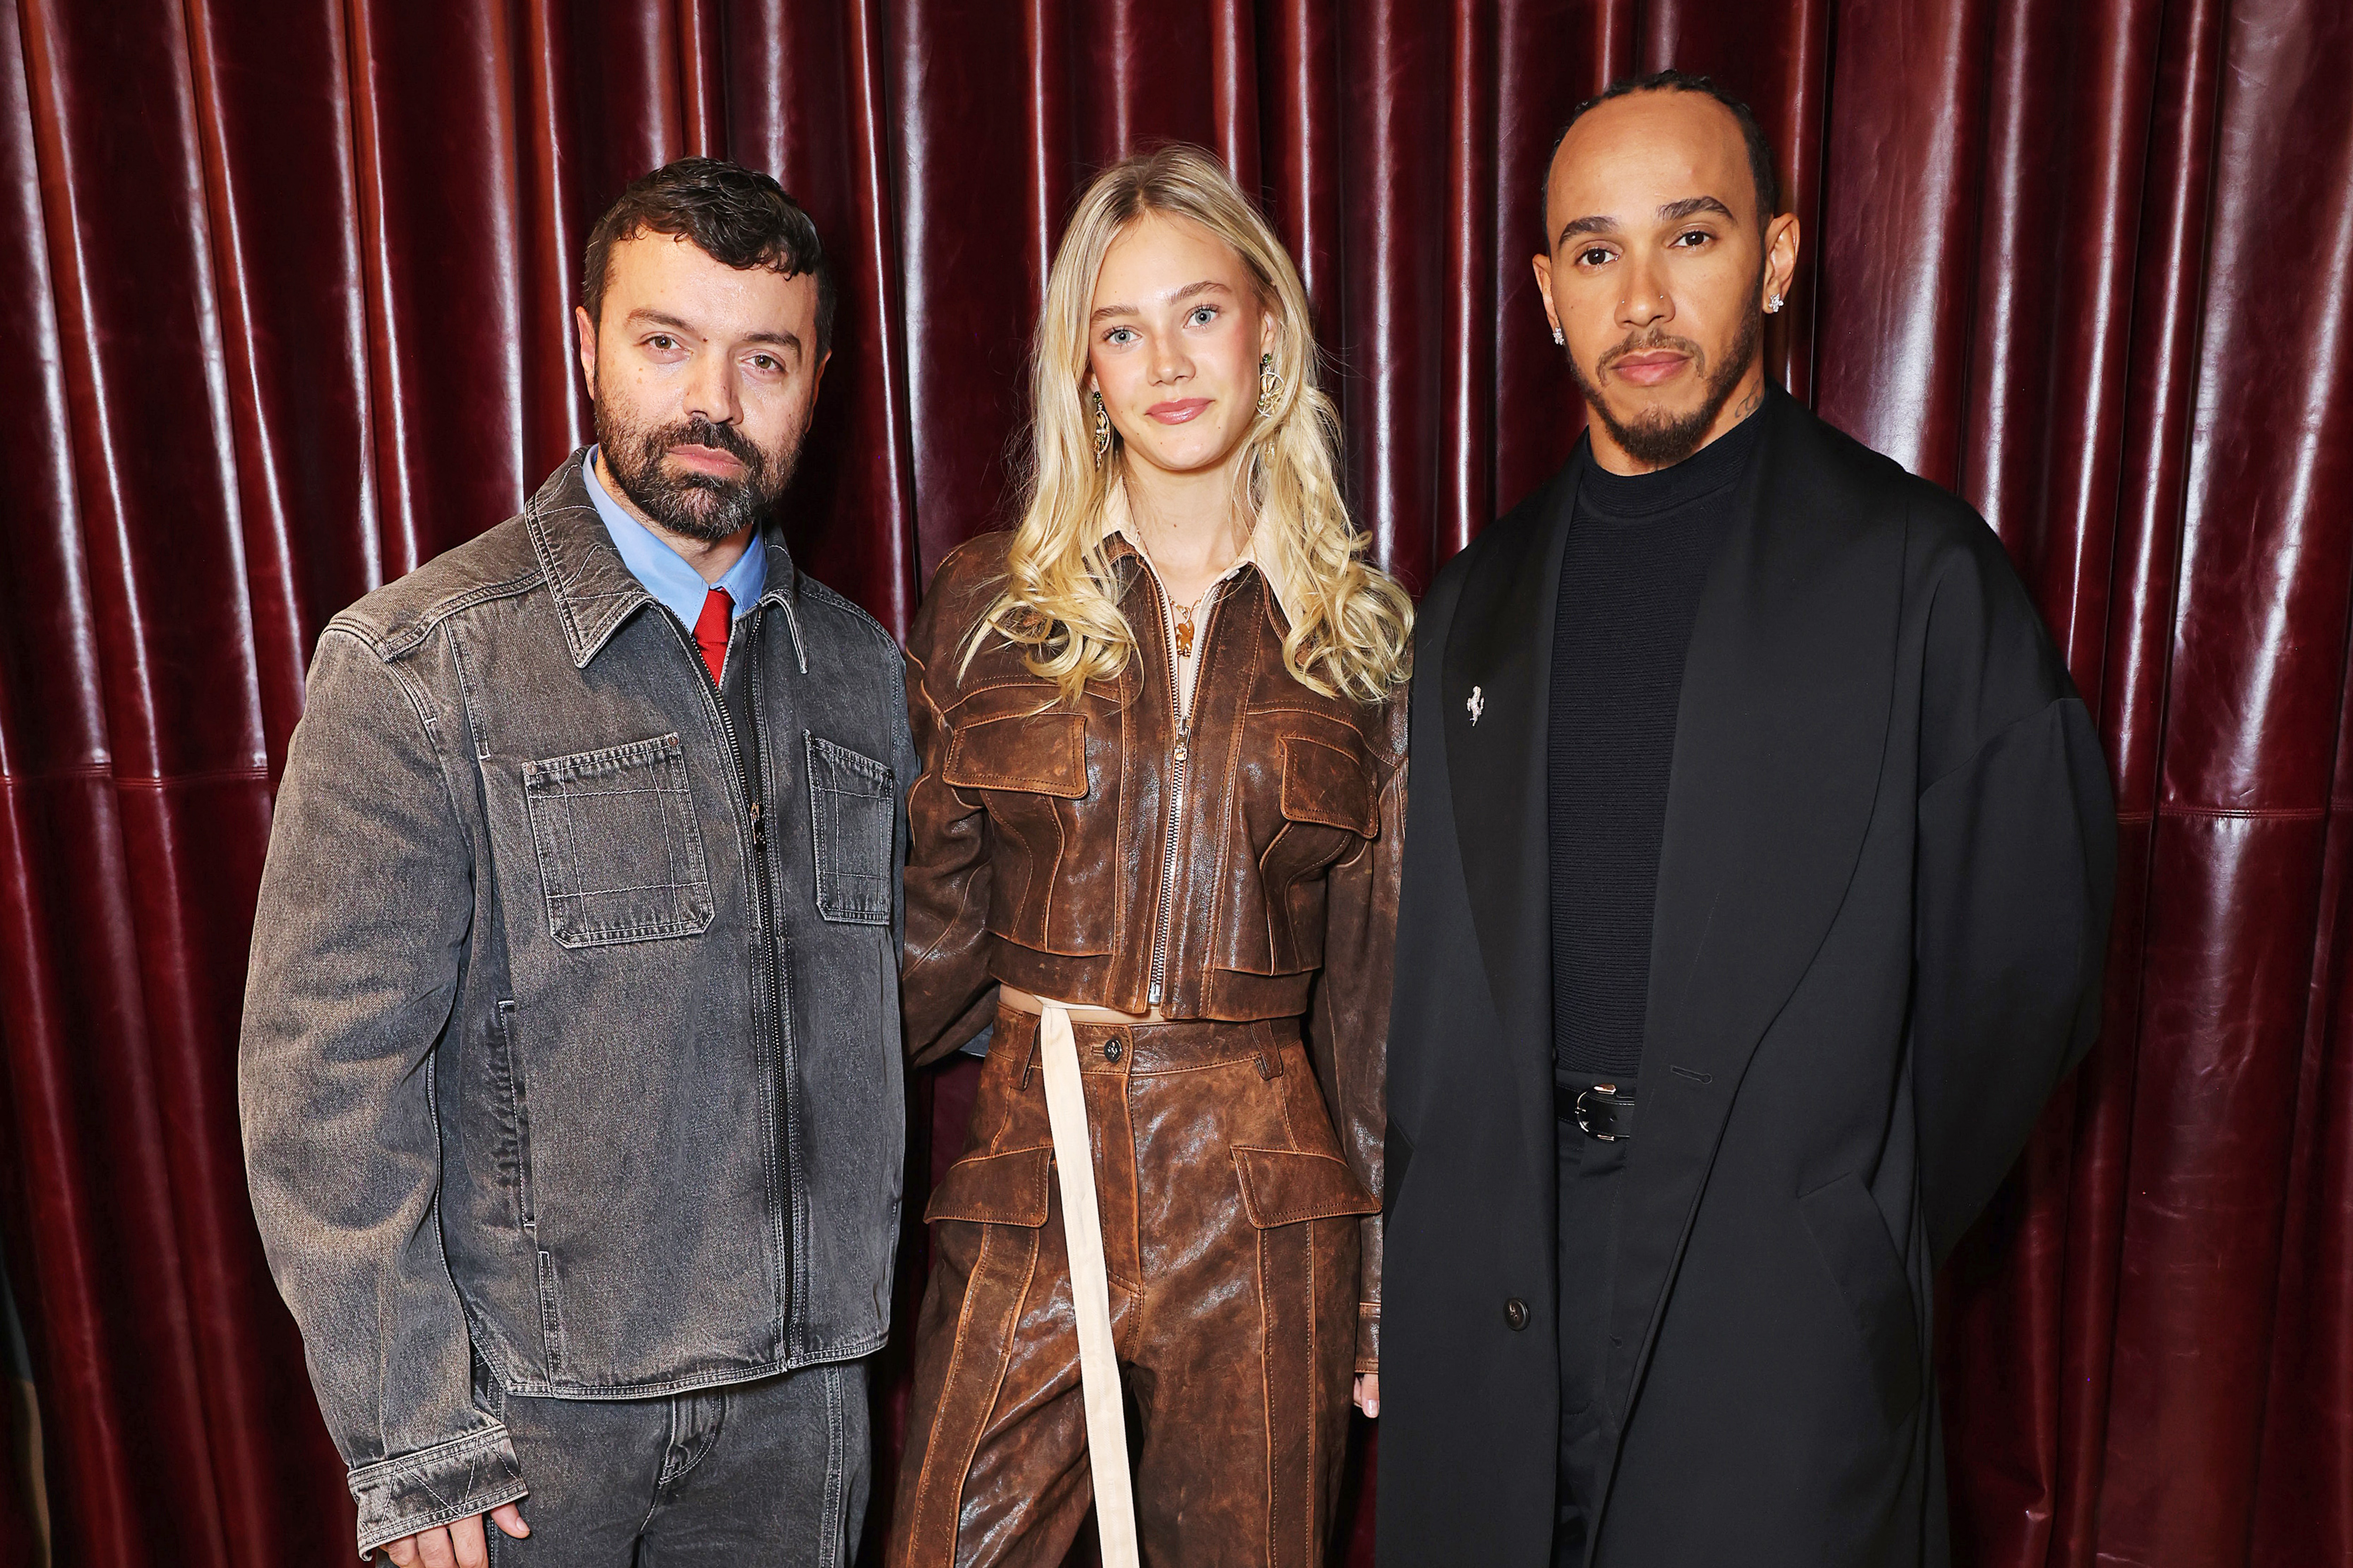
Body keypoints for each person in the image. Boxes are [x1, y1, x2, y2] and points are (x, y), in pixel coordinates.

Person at [1377, 72, 2117, 1568]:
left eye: (1691, 236)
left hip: (1774, 1314)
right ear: (1545, 293)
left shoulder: (1923, 581)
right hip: (1495, 1305)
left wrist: (1837, 1209)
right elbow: (1436, 1003)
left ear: (1776, 258)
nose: (1642, 298)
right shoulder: (1473, 603)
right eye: (1596, 252)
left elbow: (2024, 975)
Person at [239, 158, 915, 1568]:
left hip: (808, 1422)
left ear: (821, 377)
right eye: (667, 342)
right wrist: (413, 1438)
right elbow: (322, 1078)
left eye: (764, 358)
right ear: (588, 343)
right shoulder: (419, 667)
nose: (713, 402)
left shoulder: (868, 677)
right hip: (533, 1436)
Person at [887, 144, 1409, 1568]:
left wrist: (1379, 1293)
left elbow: (1373, 1011)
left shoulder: (1365, 638)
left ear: (1268, 334)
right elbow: (914, 958)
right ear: (1085, 371)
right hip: (1030, 1168)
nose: (1167, 362)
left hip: (1265, 1196)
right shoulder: (986, 604)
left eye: (1200, 313)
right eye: (1121, 328)